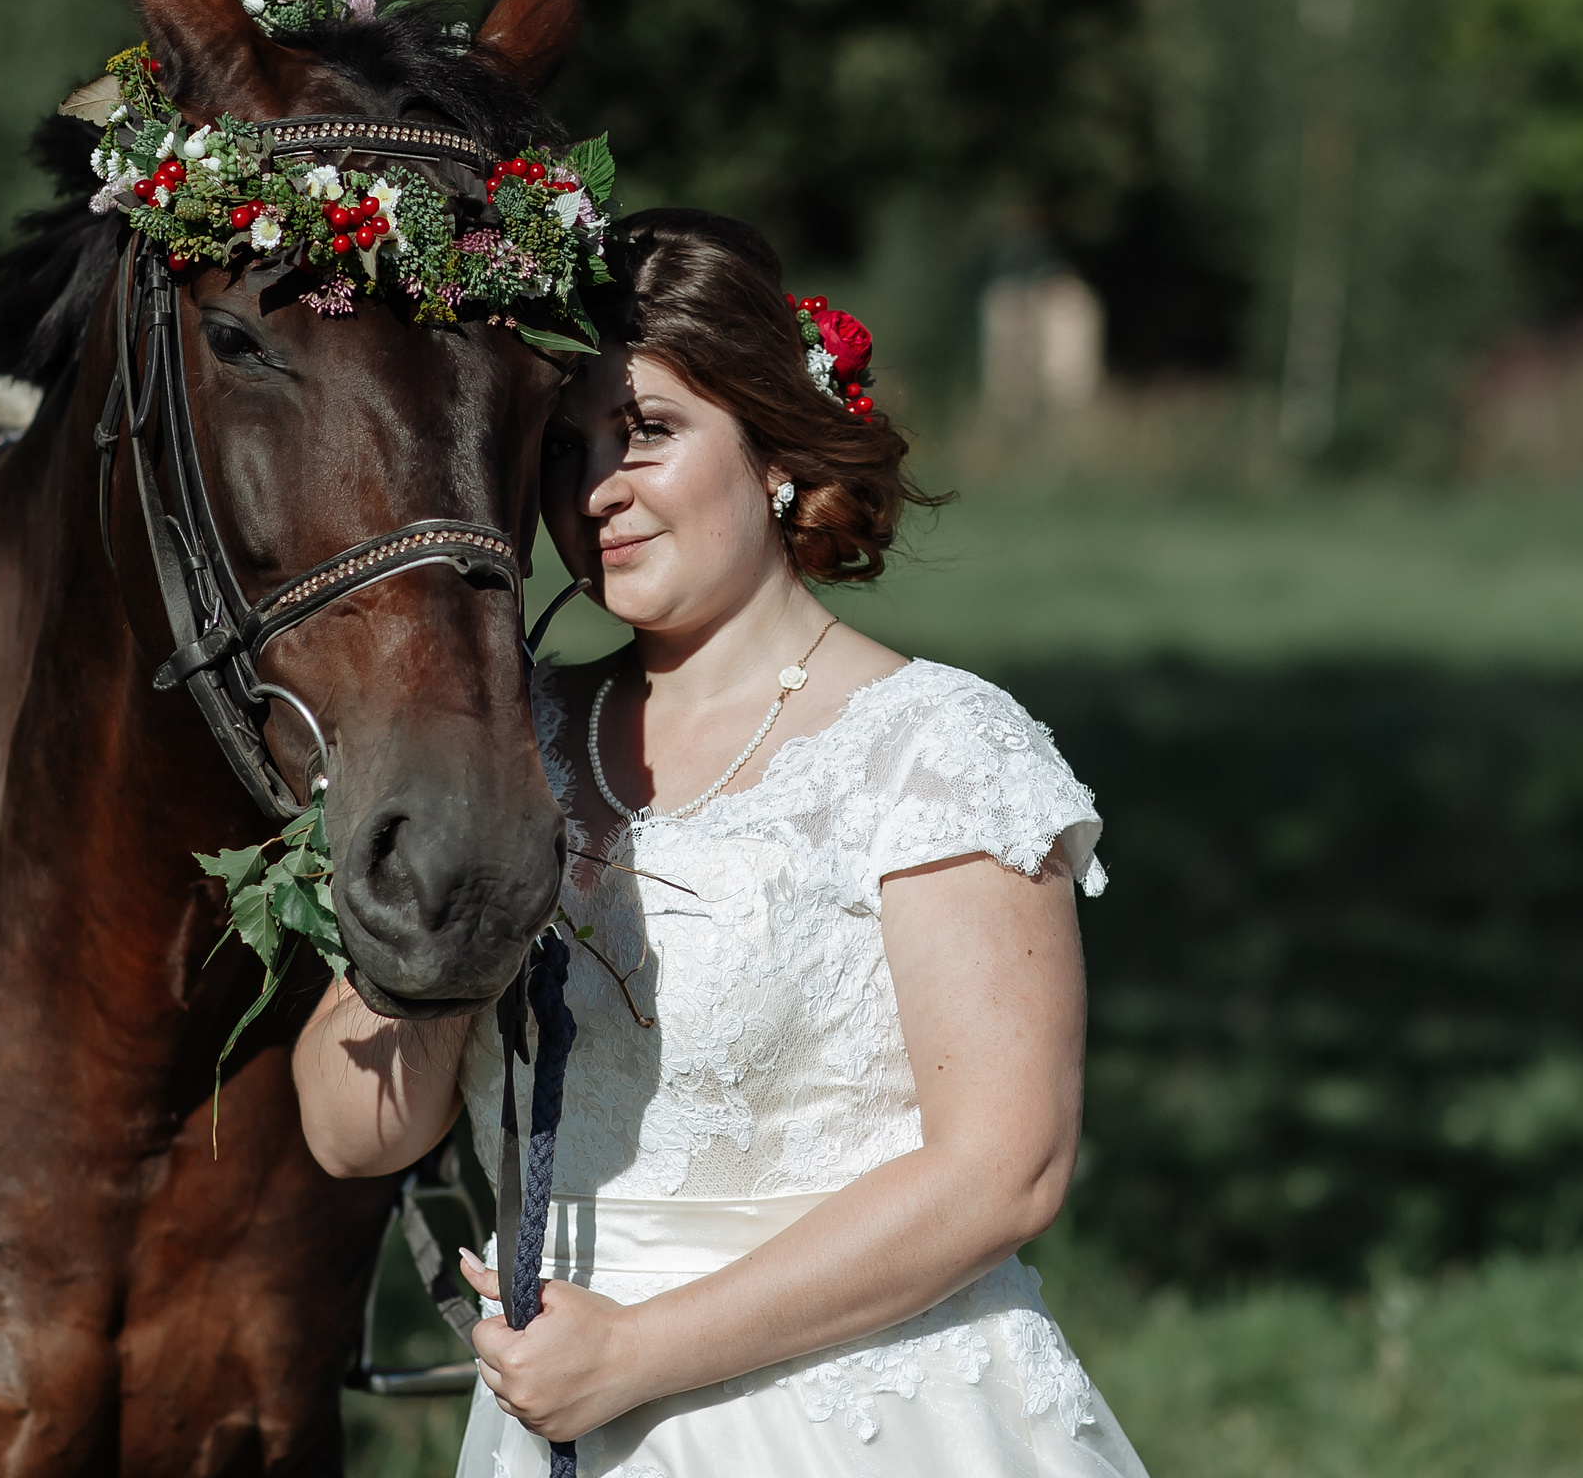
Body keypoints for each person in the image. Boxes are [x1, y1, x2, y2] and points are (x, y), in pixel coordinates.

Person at [291, 209, 1150, 1477]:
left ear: (773, 450)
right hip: (554, 1420)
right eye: (561, 446)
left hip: (858, 1422)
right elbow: (350, 1133)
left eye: (645, 431)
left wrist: (636, 1355)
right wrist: (446, 910)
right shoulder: (501, 750)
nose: (595, 490)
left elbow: (1004, 1169)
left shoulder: (936, 748)